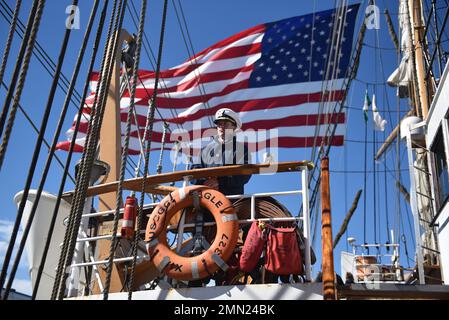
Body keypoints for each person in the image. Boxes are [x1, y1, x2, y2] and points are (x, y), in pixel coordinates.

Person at [190, 108, 251, 195]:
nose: (222, 127)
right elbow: (193, 172)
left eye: (225, 124)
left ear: (234, 127)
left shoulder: (241, 150)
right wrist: (205, 181)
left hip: (232, 201)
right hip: (206, 200)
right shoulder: (205, 151)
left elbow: (243, 175)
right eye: (219, 124)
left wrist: (219, 181)